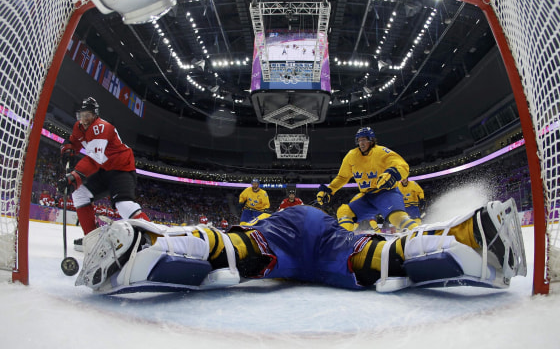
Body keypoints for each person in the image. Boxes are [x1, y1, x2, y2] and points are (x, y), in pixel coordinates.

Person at [75, 198, 526, 295]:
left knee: (233, 250)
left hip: (284, 232)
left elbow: (243, 229)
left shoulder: (265, 212)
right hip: (323, 229)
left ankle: (143, 241)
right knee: (378, 259)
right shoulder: (335, 208)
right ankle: (473, 234)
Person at [57, 97, 149, 251]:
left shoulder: (101, 127)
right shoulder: (78, 127)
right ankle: (93, 238)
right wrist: (67, 148)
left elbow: (94, 159)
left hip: (121, 169)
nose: (84, 119)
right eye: (81, 115)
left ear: (95, 115)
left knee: (123, 205)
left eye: (88, 115)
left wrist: (74, 177)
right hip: (103, 169)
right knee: (79, 193)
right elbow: (74, 140)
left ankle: (152, 238)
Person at [317, 127, 418, 232]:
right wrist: (329, 190)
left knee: (397, 217)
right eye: (359, 140)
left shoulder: (381, 152)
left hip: (386, 193)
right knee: (344, 211)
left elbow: (403, 165)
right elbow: (343, 177)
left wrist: (393, 174)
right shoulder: (351, 156)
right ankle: (344, 240)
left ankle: (420, 233)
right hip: (368, 196)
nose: (361, 143)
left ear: (372, 140)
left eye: (364, 140)